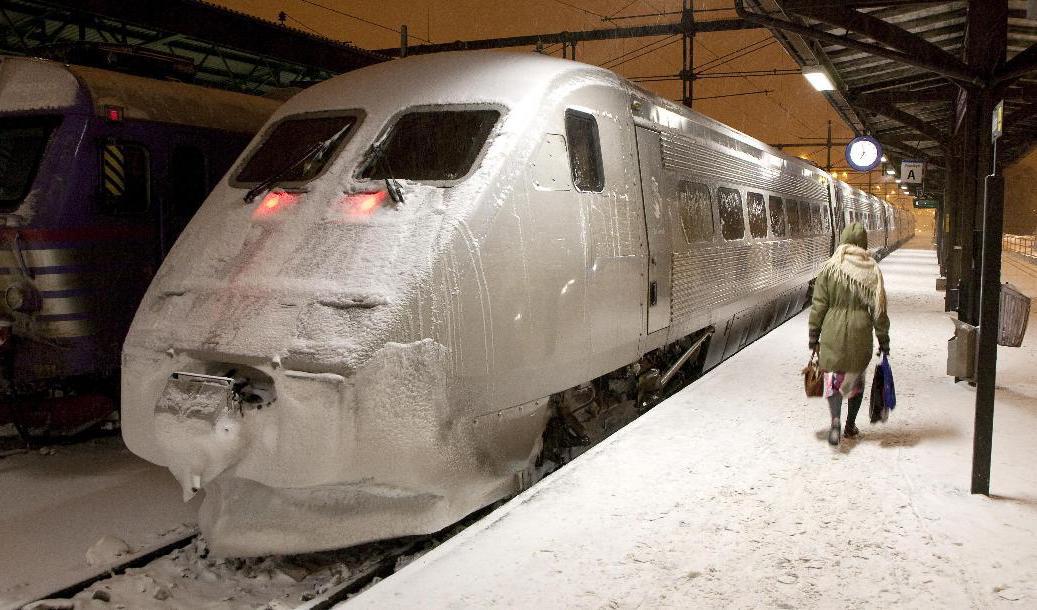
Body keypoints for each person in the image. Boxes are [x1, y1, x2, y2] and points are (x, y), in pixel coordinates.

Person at [808, 222, 890, 446]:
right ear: (864, 242)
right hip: (860, 332)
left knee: (834, 379)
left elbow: (819, 305)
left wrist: (814, 333)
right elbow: (879, 311)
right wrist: (884, 340)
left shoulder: (830, 268)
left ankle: (835, 421)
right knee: (855, 381)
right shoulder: (871, 269)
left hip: (833, 329)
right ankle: (850, 425)